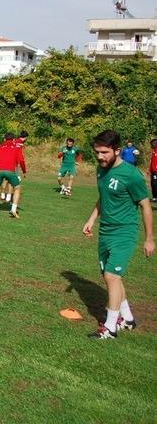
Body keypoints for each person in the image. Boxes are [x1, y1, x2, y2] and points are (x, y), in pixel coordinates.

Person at [82, 130, 153, 339]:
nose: (100, 156)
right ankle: (127, 318)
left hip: (125, 232)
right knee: (109, 276)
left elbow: (146, 206)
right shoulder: (100, 169)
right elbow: (103, 197)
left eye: (104, 152)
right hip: (106, 231)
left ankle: (110, 328)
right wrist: (92, 219)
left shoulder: (131, 175)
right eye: (97, 152)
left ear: (117, 150)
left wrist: (149, 239)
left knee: (112, 276)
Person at [0, 133, 26, 218]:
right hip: (10, 171)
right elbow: (21, 161)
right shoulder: (17, 148)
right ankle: (13, 209)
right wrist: (24, 171)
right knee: (17, 188)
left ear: (4, 139)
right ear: (14, 140)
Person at [1, 130, 28, 202]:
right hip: (14, 164)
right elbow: (20, 156)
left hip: (6, 162)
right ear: (26, 137)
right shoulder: (20, 144)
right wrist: (24, 171)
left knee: (6, 179)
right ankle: (9, 196)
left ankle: (3, 194)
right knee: (11, 180)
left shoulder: (14, 141)